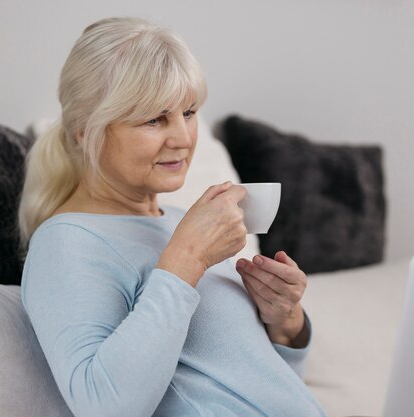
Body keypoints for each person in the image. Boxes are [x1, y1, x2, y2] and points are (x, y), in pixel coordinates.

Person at [18, 16, 326, 417]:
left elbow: (257, 389)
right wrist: (187, 259)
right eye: (153, 118)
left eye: (190, 112)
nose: (182, 138)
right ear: (84, 130)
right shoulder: (67, 241)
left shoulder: (181, 221)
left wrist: (286, 323)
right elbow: (105, 406)